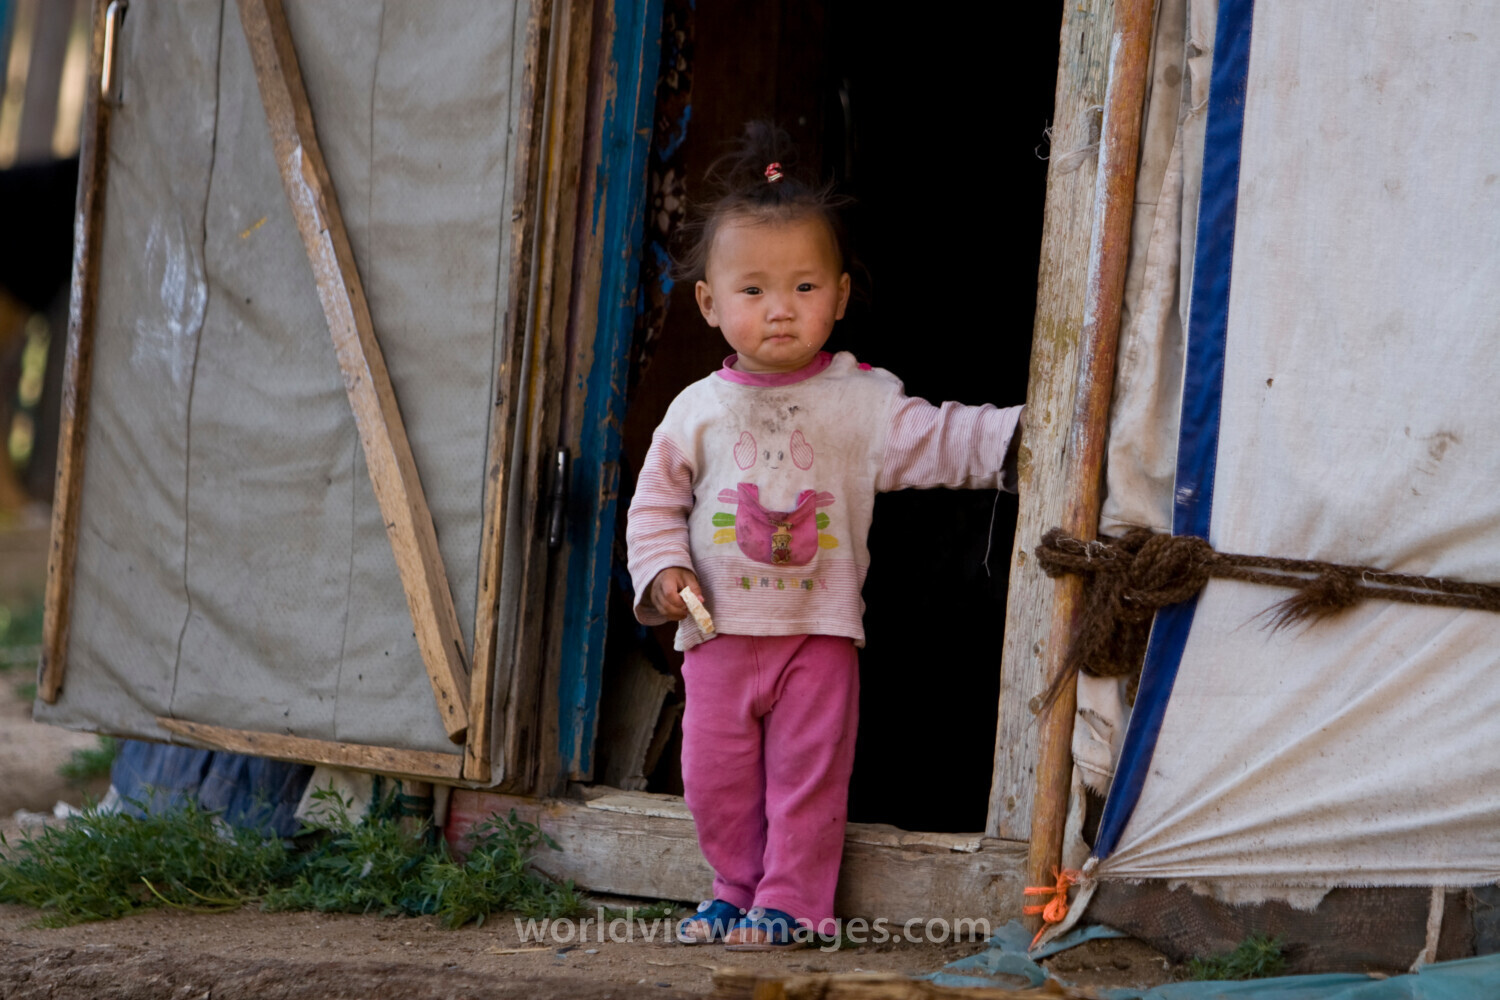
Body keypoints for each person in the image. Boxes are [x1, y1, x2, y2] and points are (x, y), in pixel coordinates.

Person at [625, 123, 1023, 950]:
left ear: (840, 297)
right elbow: (655, 505)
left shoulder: (861, 400)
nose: (780, 310)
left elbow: (944, 439)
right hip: (718, 633)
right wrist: (664, 570)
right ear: (709, 303)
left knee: (808, 781)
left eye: (804, 288)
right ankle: (734, 887)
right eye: (755, 291)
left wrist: (1031, 433)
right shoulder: (696, 410)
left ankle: (793, 902)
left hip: (819, 636)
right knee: (716, 780)